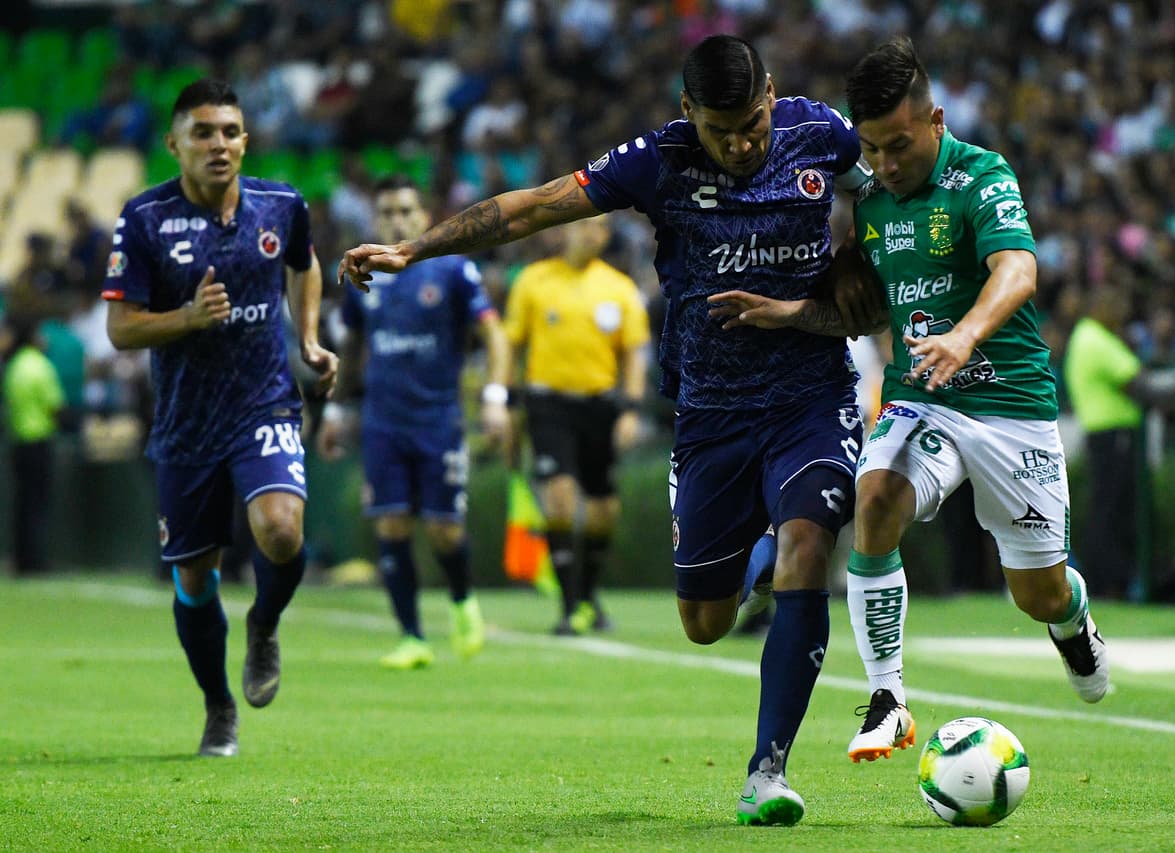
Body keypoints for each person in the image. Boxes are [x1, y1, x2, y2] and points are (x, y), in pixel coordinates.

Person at [341, 34, 867, 827]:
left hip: (810, 395)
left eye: (752, 123)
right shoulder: (659, 160)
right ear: (689, 112)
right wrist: (417, 248)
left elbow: (894, 184)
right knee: (705, 621)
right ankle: (755, 556)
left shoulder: (820, 133)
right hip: (712, 414)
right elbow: (534, 205)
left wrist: (870, 263)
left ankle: (769, 769)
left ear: (772, 95)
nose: (741, 143)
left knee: (809, 546)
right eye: (721, 130)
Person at [706, 37, 1111, 763]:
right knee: (877, 495)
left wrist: (964, 335)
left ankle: (1072, 621)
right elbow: (866, 314)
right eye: (872, 149)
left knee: (1039, 594)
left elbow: (1018, 269)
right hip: (921, 399)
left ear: (937, 121)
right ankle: (889, 697)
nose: (886, 165)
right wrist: (793, 312)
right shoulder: (870, 204)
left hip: (1009, 406)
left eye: (899, 145)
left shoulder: (981, 175)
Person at [103, 79, 338, 757]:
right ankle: (217, 706)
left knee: (281, 529)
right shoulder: (144, 218)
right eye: (203, 132)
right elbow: (120, 328)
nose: (219, 144)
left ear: (246, 140)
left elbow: (305, 264)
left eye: (230, 131)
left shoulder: (281, 203)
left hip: (262, 399)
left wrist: (310, 337)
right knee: (195, 578)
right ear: (173, 142)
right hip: (185, 423)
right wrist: (188, 317)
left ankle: (264, 623)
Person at [317, 174, 512, 669]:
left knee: (444, 531)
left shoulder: (451, 271)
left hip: (439, 418)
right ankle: (411, 637)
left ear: (424, 217)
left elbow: (495, 336)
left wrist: (493, 397)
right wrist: (337, 410)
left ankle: (463, 600)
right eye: (387, 213)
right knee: (392, 524)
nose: (397, 220)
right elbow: (353, 347)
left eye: (406, 211)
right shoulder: (364, 277)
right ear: (374, 219)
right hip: (383, 420)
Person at [502, 216, 649, 635]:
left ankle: (587, 596)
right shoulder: (534, 280)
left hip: (599, 406)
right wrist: (506, 401)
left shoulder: (618, 288)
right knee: (561, 498)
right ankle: (569, 608)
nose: (594, 234)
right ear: (564, 229)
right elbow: (512, 343)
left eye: (602, 228)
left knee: (603, 510)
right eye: (586, 225)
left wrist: (632, 408)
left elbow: (634, 353)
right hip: (547, 402)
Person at [1064, 284, 1146, 601]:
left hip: (1104, 436)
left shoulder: (1087, 336)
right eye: (1115, 305)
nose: (1122, 313)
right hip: (1113, 435)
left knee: (1107, 509)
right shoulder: (1095, 338)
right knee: (1112, 512)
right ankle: (1111, 582)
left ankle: (1106, 580)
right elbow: (1134, 378)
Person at [2, 314, 66, 575]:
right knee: (37, 504)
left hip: (18, 442)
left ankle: (21, 559)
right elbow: (55, 406)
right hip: (39, 441)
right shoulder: (40, 366)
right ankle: (36, 561)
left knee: (22, 504)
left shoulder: (14, 366)